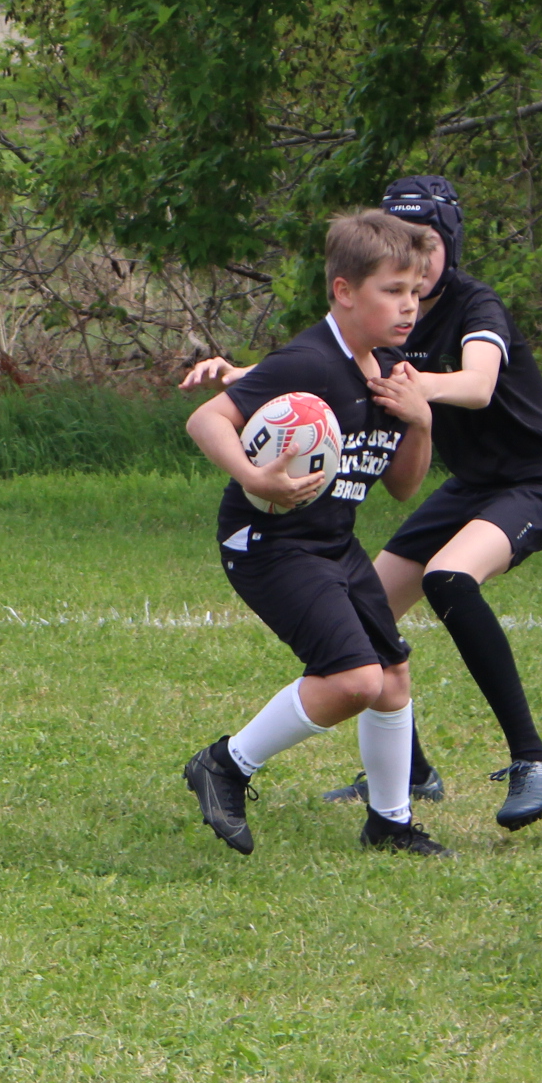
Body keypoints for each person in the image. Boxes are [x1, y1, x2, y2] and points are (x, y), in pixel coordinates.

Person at [180, 210, 453, 859]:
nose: (408, 305)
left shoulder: (389, 371)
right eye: (392, 290)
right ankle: (224, 764)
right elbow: (206, 419)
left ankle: (389, 823)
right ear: (344, 291)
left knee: (391, 675)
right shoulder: (310, 362)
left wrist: (420, 422)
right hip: (269, 543)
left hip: (333, 542)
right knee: (355, 679)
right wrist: (256, 477)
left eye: (415, 291)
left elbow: (403, 487)